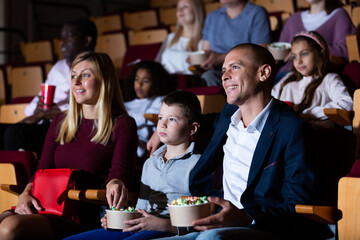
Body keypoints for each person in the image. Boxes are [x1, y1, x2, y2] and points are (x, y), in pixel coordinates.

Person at [149, 43, 331, 239]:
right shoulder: (228, 115)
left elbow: (296, 205)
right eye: (223, 70)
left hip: (263, 226)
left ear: (264, 73)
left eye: (235, 67)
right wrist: (163, 128)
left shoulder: (292, 129)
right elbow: (201, 121)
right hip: (217, 221)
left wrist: (246, 218)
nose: (225, 76)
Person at [0, 52, 138, 240]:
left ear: (104, 80)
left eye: (86, 75)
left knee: (9, 229)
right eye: (73, 76)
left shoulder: (122, 124)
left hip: (81, 212)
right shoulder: (61, 120)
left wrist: (116, 183)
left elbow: (119, 175)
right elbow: (42, 170)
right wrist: (25, 194)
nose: (76, 82)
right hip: (46, 204)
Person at [63, 90, 202, 240]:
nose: (162, 124)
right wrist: (122, 219)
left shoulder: (198, 164)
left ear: (192, 129)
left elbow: (205, 216)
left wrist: (164, 225)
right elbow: (141, 208)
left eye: (172, 119)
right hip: (143, 225)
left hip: (169, 229)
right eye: (160, 118)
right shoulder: (150, 163)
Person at [2, 17, 97, 158]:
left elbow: (89, 107)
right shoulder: (58, 67)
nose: (62, 42)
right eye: (61, 38)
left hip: (71, 128)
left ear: (86, 41)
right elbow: (41, 97)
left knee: (15, 133)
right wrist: (37, 109)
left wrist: (48, 114)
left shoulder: (97, 67)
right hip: (46, 123)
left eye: (69, 36)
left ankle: (20, 177)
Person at [272, 31, 353, 129]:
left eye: (304, 54)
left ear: (320, 53)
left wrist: (310, 114)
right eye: (294, 57)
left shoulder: (329, 80)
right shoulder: (287, 80)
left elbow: (347, 103)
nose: (299, 61)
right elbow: (269, 101)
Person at [199, 0, 271, 86]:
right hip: (213, 71)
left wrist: (220, 58)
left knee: (208, 77)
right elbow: (205, 50)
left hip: (242, 72)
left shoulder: (257, 12)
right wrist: (201, 60)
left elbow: (259, 54)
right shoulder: (212, 16)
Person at [123, 60, 174, 158]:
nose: (139, 84)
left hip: (141, 145)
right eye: (137, 79)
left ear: (156, 82)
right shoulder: (125, 104)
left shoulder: (161, 100)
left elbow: (151, 117)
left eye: (145, 81)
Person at [279, 0, 356, 65]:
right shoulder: (293, 18)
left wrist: (310, 50)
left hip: (319, 74)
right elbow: (280, 48)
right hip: (287, 72)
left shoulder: (339, 15)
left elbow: (346, 51)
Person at [156, 0, 205, 75]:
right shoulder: (170, 37)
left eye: (185, 6)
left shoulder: (205, 40)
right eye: (178, 7)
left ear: (196, 10)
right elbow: (156, 65)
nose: (180, 10)